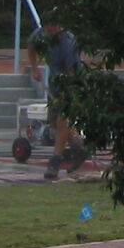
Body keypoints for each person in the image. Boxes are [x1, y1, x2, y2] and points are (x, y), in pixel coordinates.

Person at [37, 21, 85, 180]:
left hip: (70, 87)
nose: (48, 33)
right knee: (54, 124)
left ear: (58, 27)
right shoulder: (42, 35)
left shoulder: (68, 44)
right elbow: (31, 45)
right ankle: (78, 148)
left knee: (62, 123)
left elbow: (73, 74)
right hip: (55, 87)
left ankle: (54, 163)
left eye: (51, 30)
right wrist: (34, 68)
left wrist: (66, 95)